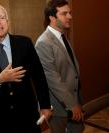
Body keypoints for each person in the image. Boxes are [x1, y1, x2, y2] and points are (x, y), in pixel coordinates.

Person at [0, 4, 52, 133]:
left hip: (28, 113)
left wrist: (45, 105)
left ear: (8, 22)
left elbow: (39, 75)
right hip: (1, 117)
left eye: (2, 17)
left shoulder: (25, 43)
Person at [35, 0, 84, 133]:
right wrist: (72, 105)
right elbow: (53, 79)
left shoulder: (62, 36)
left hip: (73, 100)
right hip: (57, 107)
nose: (70, 16)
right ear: (52, 17)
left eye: (70, 13)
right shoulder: (43, 42)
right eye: (64, 13)